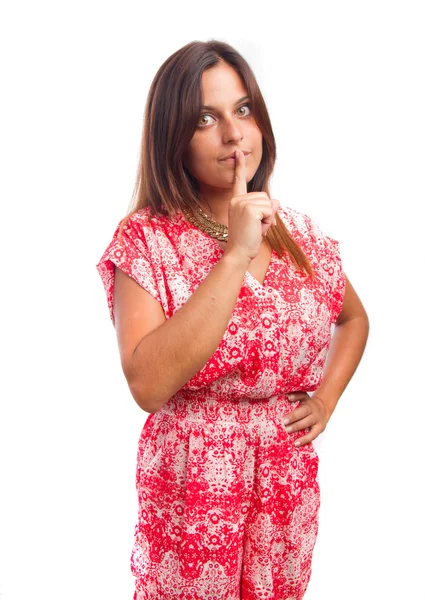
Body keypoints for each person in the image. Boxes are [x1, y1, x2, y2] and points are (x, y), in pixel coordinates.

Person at [96, 40, 369, 600]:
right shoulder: (148, 239)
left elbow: (355, 319)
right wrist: (235, 254)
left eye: (243, 109)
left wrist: (326, 400)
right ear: (172, 136)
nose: (233, 134)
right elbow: (147, 384)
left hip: (283, 484)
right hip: (194, 487)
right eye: (205, 118)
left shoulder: (300, 234)